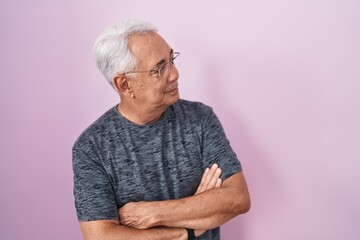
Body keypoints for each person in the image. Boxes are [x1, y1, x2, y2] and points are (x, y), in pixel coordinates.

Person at [72, 19, 250, 240]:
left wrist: (151, 213)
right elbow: (100, 236)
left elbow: (238, 198)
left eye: (171, 60)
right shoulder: (91, 148)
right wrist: (188, 230)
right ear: (125, 85)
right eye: (159, 69)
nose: (174, 74)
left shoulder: (200, 119)